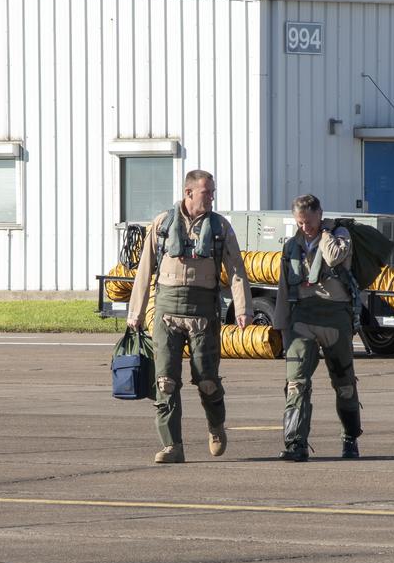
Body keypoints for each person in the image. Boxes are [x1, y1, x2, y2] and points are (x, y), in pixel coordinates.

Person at [128, 169, 252, 464]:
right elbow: (145, 270)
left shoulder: (221, 228)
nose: (211, 197)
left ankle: (216, 426)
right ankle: (172, 445)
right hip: (166, 312)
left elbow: (236, 271)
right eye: (206, 192)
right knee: (165, 381)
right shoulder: (162, 224)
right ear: (188, 193)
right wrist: (135, 313)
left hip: (203, 314)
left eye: (212, 192)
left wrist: (243, 310)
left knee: (207, 380)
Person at [273, 194, 363, 462]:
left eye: (309, 221)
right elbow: (283, 287)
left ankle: (350, 437)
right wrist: (279, 325)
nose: (305, 228)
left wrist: (323, 232)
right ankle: (295, 444)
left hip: (335, 317)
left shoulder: (338, 235)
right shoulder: (292, 246)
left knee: (344, 384)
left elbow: (335, 258)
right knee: (296, 383)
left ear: (320, 215)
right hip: (302, 318)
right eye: (300, 223)